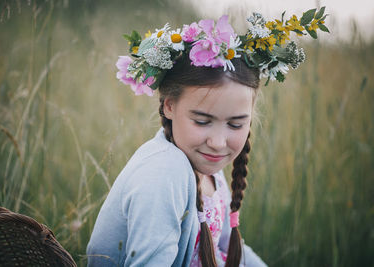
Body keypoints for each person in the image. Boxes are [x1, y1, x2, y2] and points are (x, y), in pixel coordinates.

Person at [87, 9, 328, 267]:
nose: (217, 142)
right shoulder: (164, 174)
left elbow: (227, 247)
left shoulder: (208, 168)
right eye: (202, 121)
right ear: (169, 106)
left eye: (236, 124)